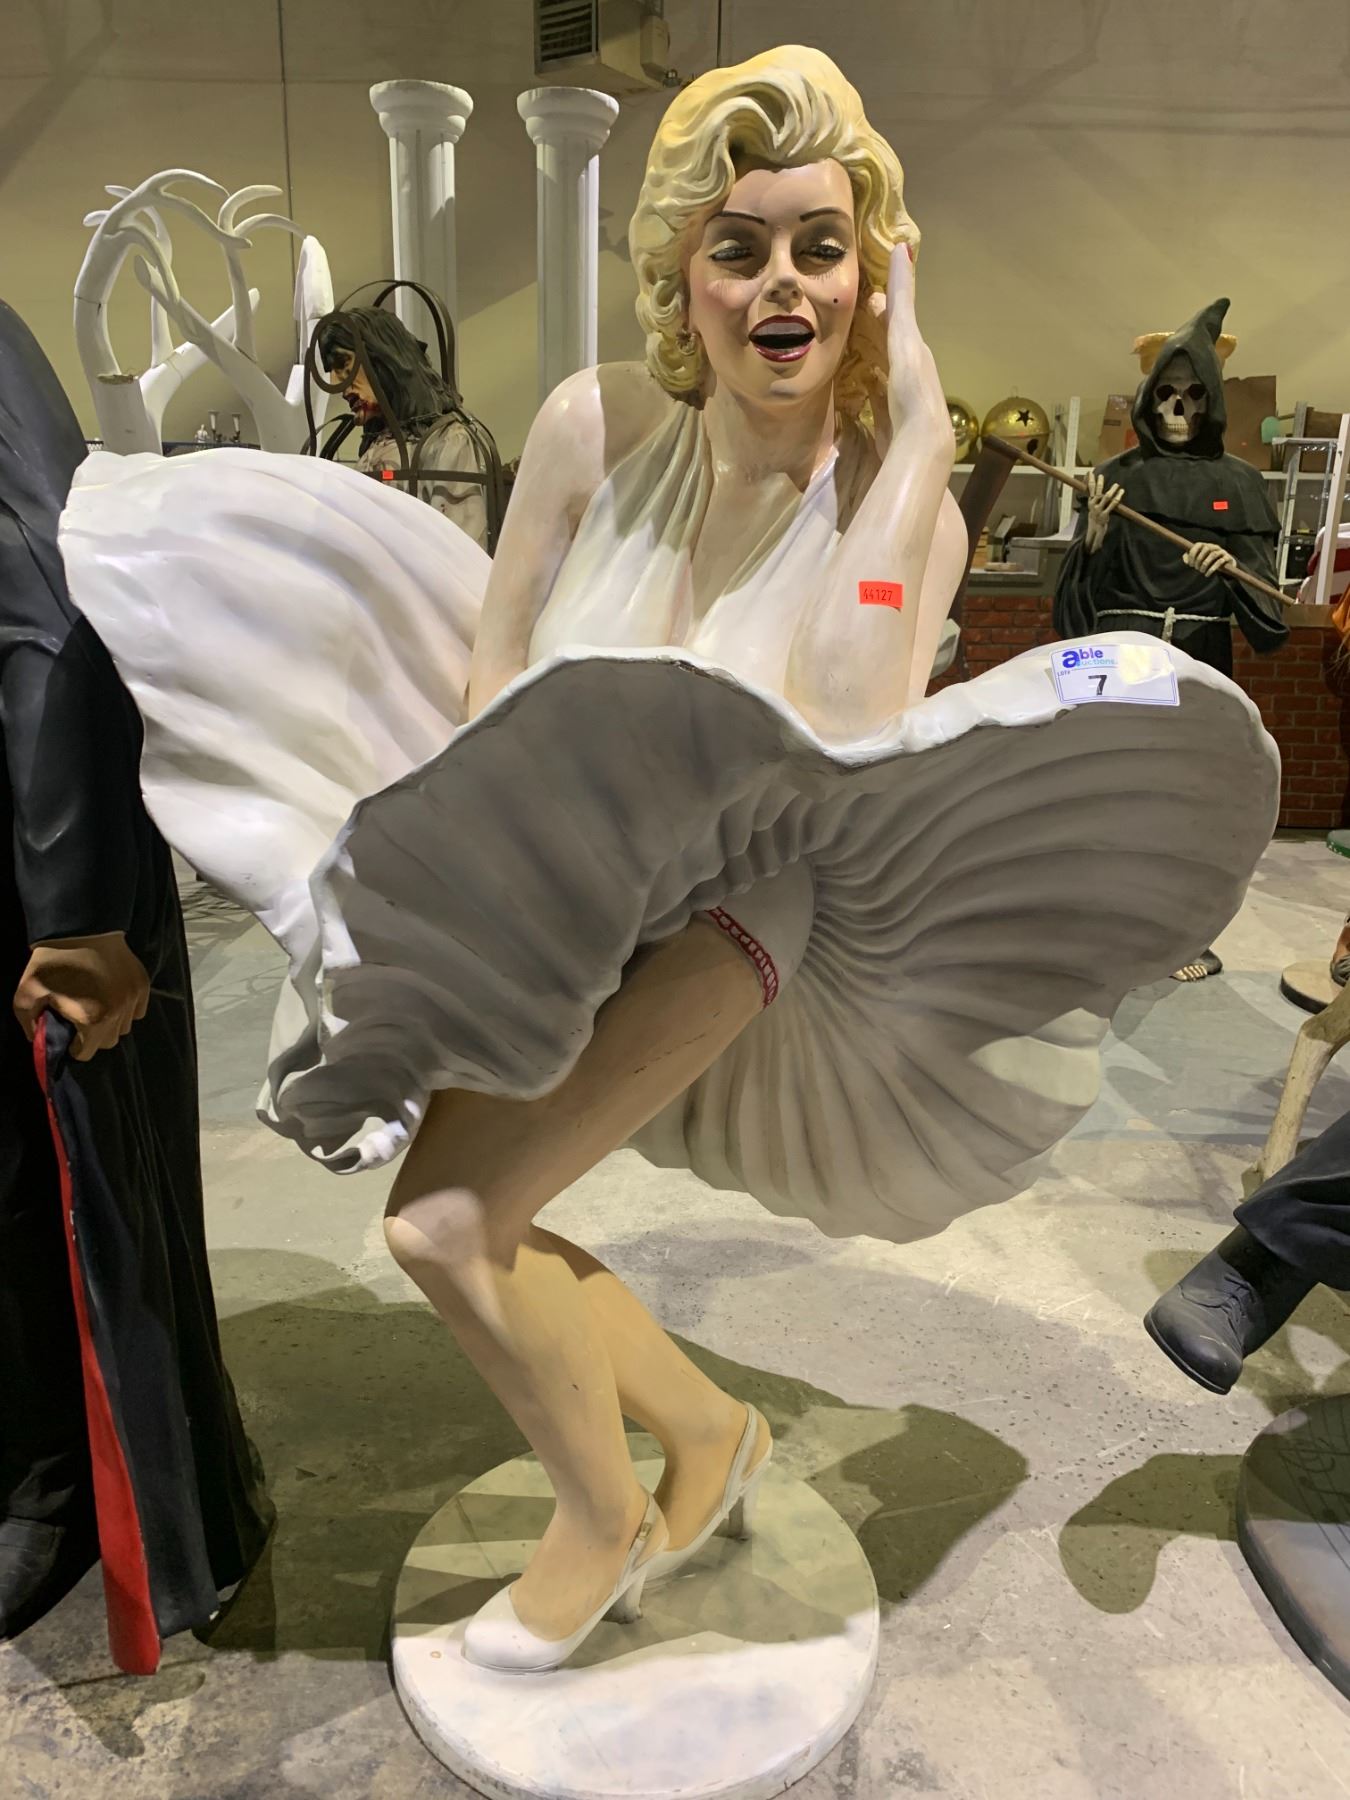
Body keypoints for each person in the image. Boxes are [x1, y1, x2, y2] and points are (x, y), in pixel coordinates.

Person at [60, 48, 1277, 1674]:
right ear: (682, 273)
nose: (783, 285)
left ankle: (606, 1520)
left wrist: (918, 428)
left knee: (445, 1225)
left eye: (822, 247)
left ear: (872, 275)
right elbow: (497, 686)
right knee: (473, 1216)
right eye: (740, 245)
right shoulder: (594, 428)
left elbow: (841, 731)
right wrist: (462, 914)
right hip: (568, 893)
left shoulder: (901, 505)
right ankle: (709, 1436)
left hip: (747, 911)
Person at [0, 300, 271, 1668]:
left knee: (46, 1204)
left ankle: (56, 1483)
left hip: (31, 877)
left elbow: (46, 596)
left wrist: (74, 911)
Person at [1054, 297, 1288, 982]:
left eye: (1192, 395)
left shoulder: (1241, 486)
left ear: (1211, 401)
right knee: (1112, 793)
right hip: (1121, 655)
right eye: (1166, 395)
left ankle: (1179, 934)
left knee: (1185, 802)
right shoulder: (1115, 480)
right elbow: (1073, 610)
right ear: (1147, 399)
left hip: (1196, 662)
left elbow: (1267, 614)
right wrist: (1095, 540)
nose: (1177, 411)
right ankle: (1102, 923)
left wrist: (1233, 568)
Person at [316, 304, 502, 550]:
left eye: (343, 363)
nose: (337, 383)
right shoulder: (374, 445)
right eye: (331, 370)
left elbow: (462, 552)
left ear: (381, 358)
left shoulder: (448, 440)